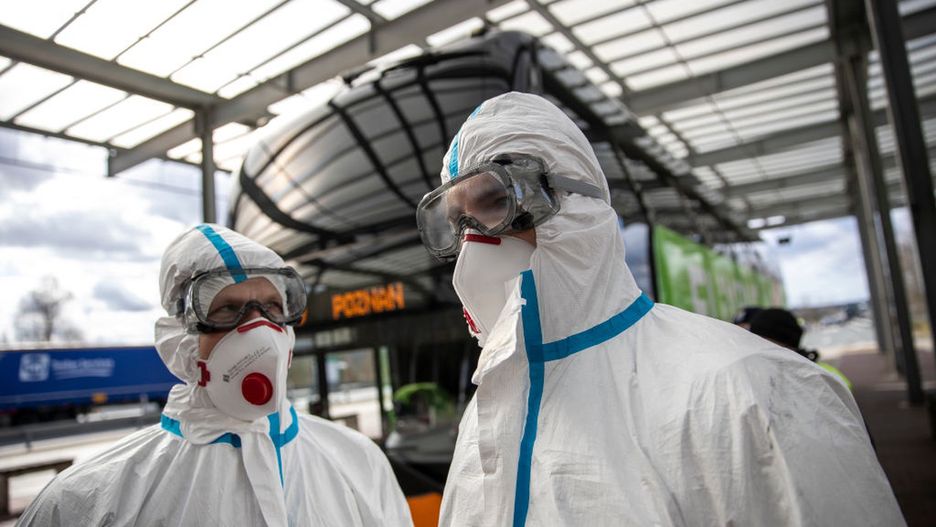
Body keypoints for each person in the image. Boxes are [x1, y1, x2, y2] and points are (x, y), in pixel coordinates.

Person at [416, 92, 904, 526]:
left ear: (575, 203)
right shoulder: (485, 418)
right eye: (458, 222)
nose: (474, 243)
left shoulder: (751, 389)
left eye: (496, 202)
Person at [19, 224, 413, 527]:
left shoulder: (359, 461)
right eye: (227, 309)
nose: (259, 330)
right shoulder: (85, 501)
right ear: (181, 338)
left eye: (273, 307)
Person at [750, 307, 854, 390]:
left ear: (782, 341)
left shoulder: (821, 377)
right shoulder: (763, 373)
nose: (756, 347)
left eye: (760, 340)